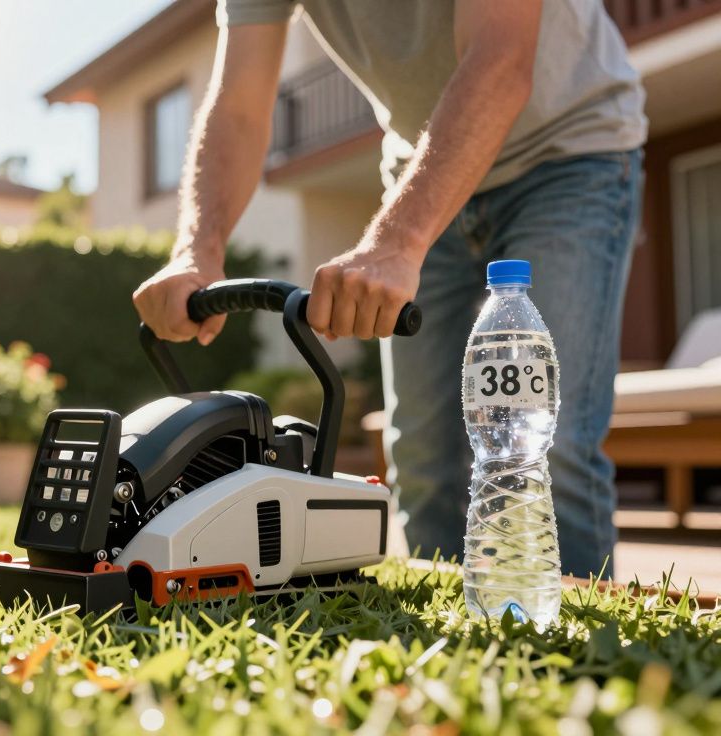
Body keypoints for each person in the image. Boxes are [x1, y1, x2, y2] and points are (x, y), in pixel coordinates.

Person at [132, 0, 645, 578]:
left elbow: (501, 58)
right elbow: (240, 106)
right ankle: (458, 651)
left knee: (543, 442)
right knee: (422, 460)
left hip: (567, 152)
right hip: (422, 169)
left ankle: (574, 652)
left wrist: (398, 242)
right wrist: (197, 249)